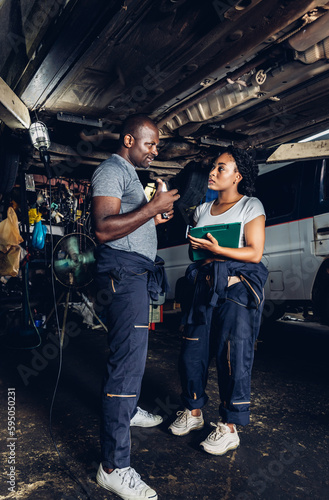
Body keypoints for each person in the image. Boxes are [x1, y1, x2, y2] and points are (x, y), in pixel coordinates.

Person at [91, 114, 179, 499]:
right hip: (123, 276)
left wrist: (153, 216)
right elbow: (104, 229)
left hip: (136, 275)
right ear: (129, 140)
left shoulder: (130, 177)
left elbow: (129, 226)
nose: (155, 151)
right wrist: (150, 207)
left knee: (134, 359)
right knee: (126, 366)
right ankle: (113, 467)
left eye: (156, 145)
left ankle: (128, 411)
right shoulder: (111, 170)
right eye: (150, 144)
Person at [168, 146, 268, 456]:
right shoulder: (201, 210)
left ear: (237, 176)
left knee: (231, 356)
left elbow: (254, 253)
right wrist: (198, 247)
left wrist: (218, 249)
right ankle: (193, 411)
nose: (212, 172)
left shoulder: (251, 206)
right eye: (213, 167)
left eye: (220, 168)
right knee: (192, 349)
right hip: (203, 287)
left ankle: (229, 427)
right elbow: (197, 255)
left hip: (236, 291)